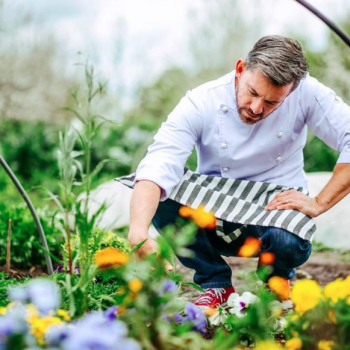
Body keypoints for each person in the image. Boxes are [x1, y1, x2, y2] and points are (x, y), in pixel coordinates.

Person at [126, 35, 350, 309]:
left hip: (275, 211)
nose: (257, 109)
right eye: (252, 93)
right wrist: (138, 231)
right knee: (162, 192)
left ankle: (275, 284)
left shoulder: (308, 92)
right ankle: (215, 282)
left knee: (286, 240)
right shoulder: (201, 101)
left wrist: (319, 202)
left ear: (291, 91)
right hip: (213, 215)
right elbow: (160, 162)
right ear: (241, 69)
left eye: (271, 103)